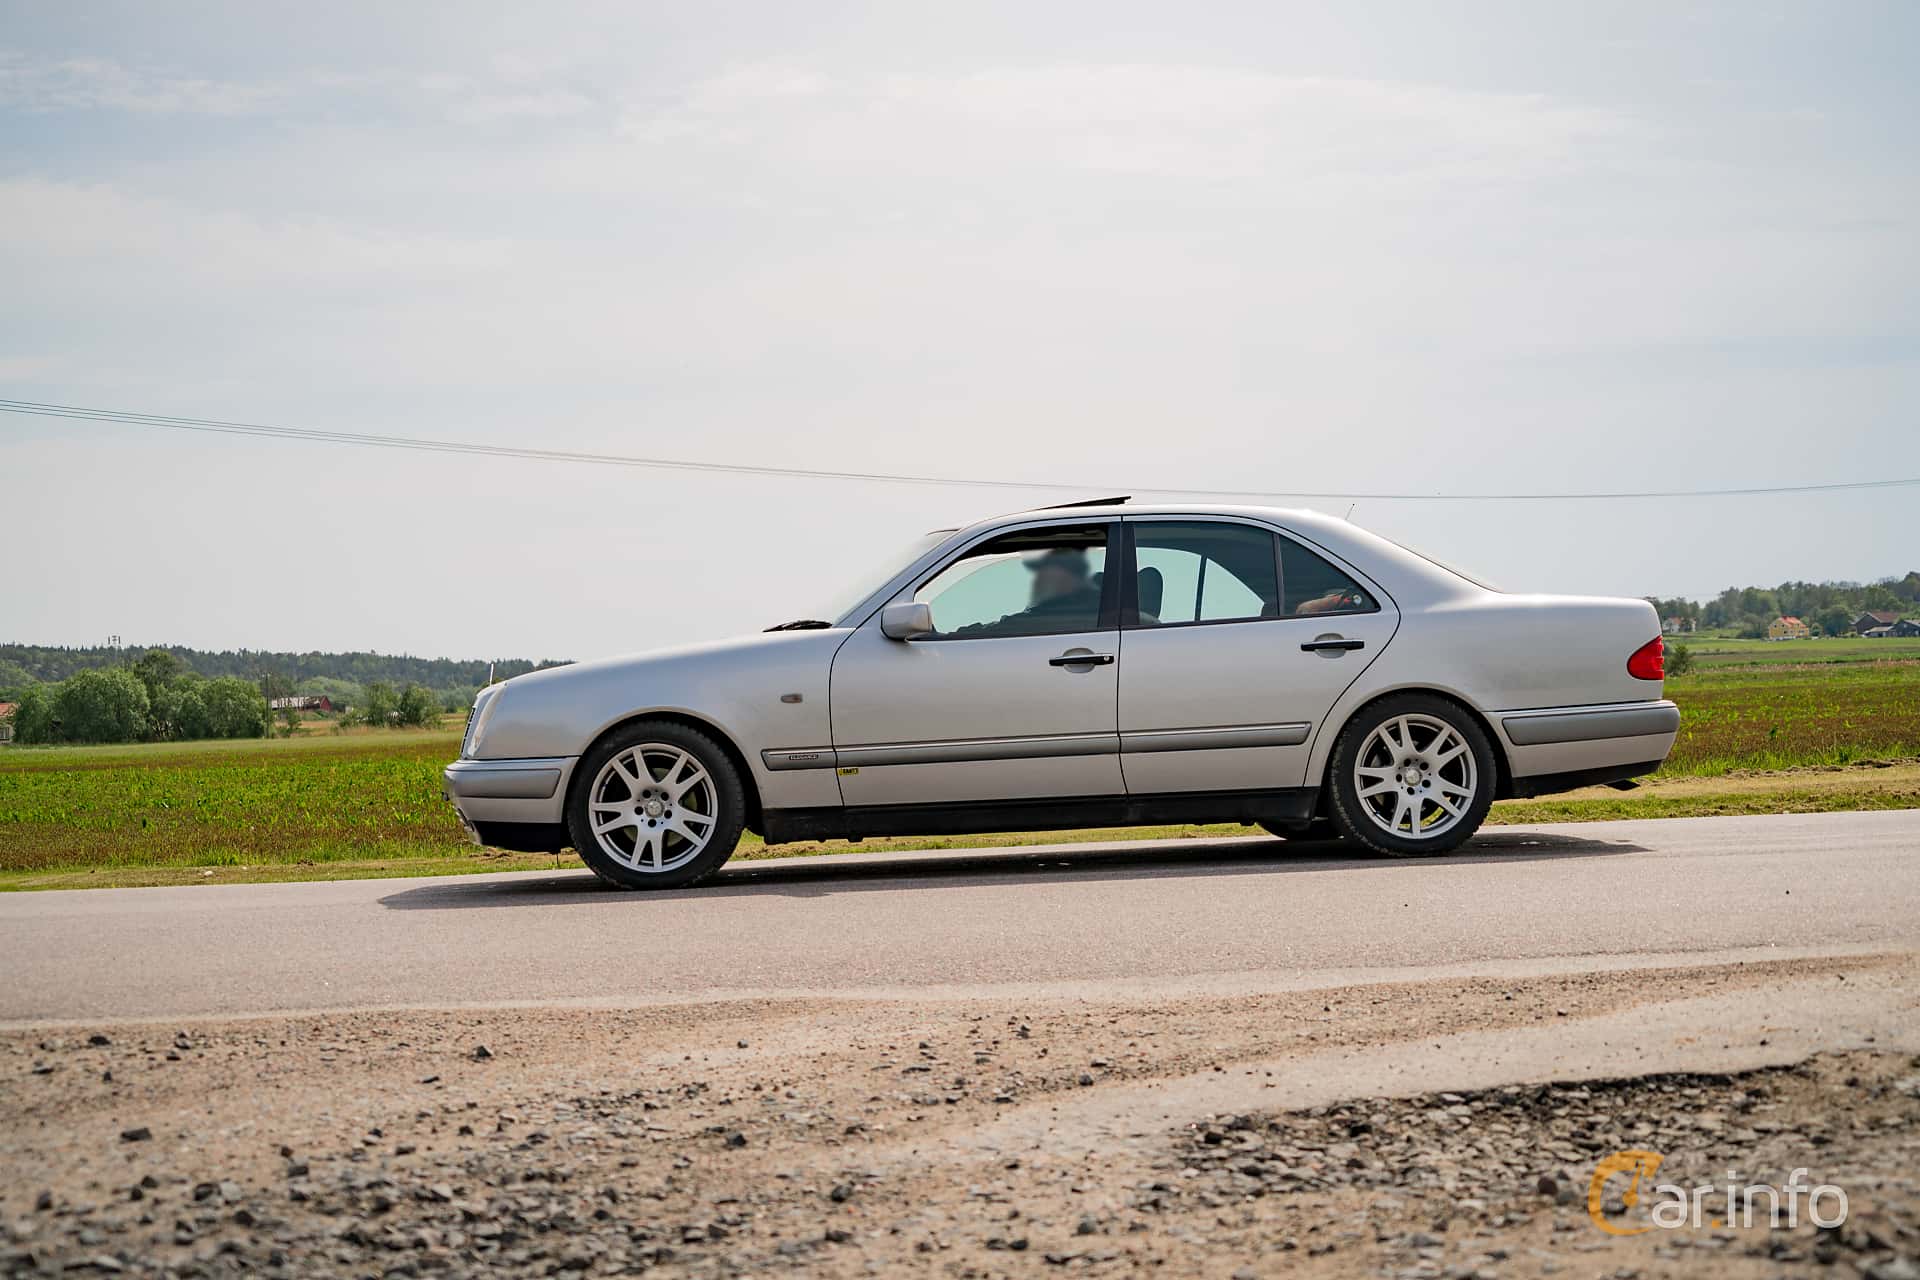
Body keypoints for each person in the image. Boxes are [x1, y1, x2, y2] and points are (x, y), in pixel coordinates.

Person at [951, 547, 1102, 637]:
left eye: (1046, 571)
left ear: (1068, 575)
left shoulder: (1067, 608)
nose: (1039, 579)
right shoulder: (1091, 602)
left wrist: (956, 636)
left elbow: (1016, 625)